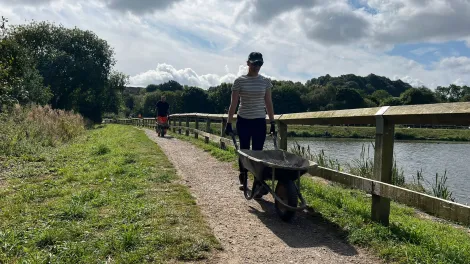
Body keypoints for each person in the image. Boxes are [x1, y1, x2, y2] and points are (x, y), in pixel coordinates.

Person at [224, 52, 275, 195]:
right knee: (244, 150)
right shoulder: (239, 81)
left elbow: (268, 103)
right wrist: (229, 123)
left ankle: (258, 184)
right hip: (244, 120)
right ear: (248, 63)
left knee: (258, 153)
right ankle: (243, 177)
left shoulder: (265, 81)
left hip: (259, 121)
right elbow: (233, 104)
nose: (257, 66)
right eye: (254, 63)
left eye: (259, 64)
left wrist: (272, 122)